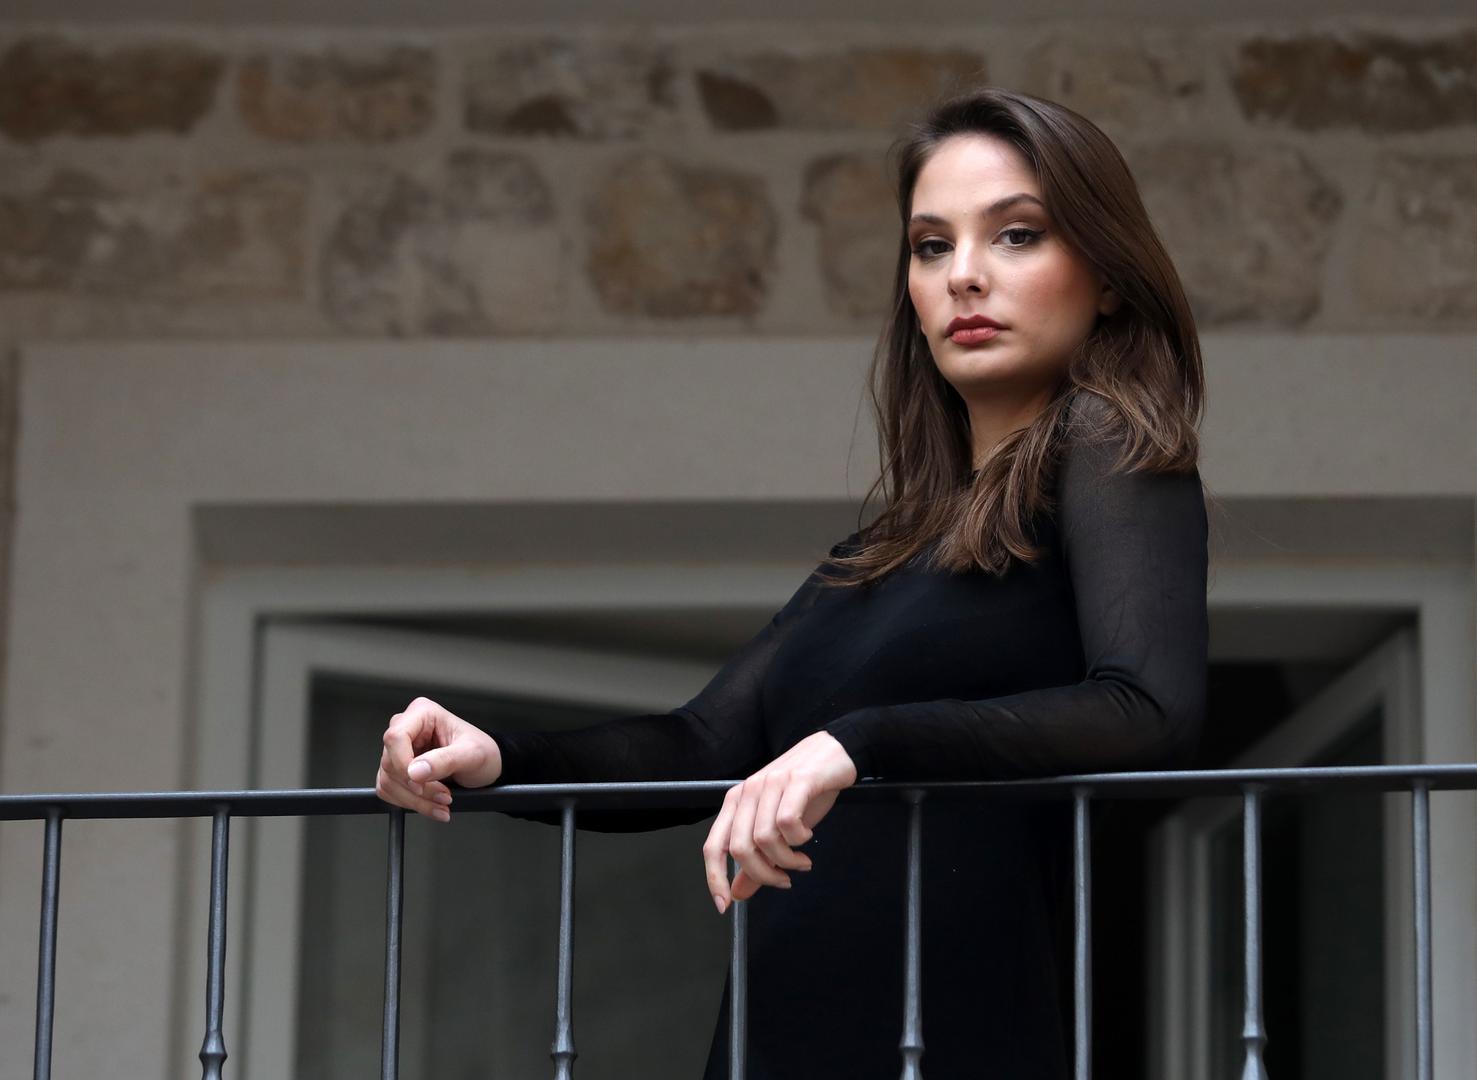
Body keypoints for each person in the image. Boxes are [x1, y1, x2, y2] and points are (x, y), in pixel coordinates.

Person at [375, 84, 1209, 1079]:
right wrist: (496, 757)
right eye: (930, 246)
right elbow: (700, 743)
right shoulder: (881, 549)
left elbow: (1146, 706)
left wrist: (858, 743)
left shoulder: (1107, 444)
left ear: (1106, 276)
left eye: (1016, 235)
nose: (963, 275)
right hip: (780, 1027)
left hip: (946, 1022)